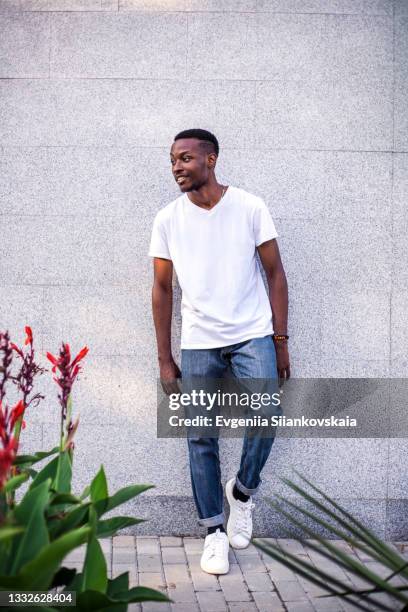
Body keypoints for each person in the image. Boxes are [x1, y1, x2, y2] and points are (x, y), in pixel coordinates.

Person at [149, 128, 290, 575]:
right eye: (172, 159)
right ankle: (213, 533)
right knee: (199, 436)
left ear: (211, 159)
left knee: (266, 415)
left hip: (253, 334)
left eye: (185, 158)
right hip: (198, 341)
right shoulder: (167, 219)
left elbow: (276, 274)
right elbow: (161, 288)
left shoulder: (249, 206)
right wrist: (164, 357)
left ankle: (243, 494)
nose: (176, 167)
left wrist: (280, 341)